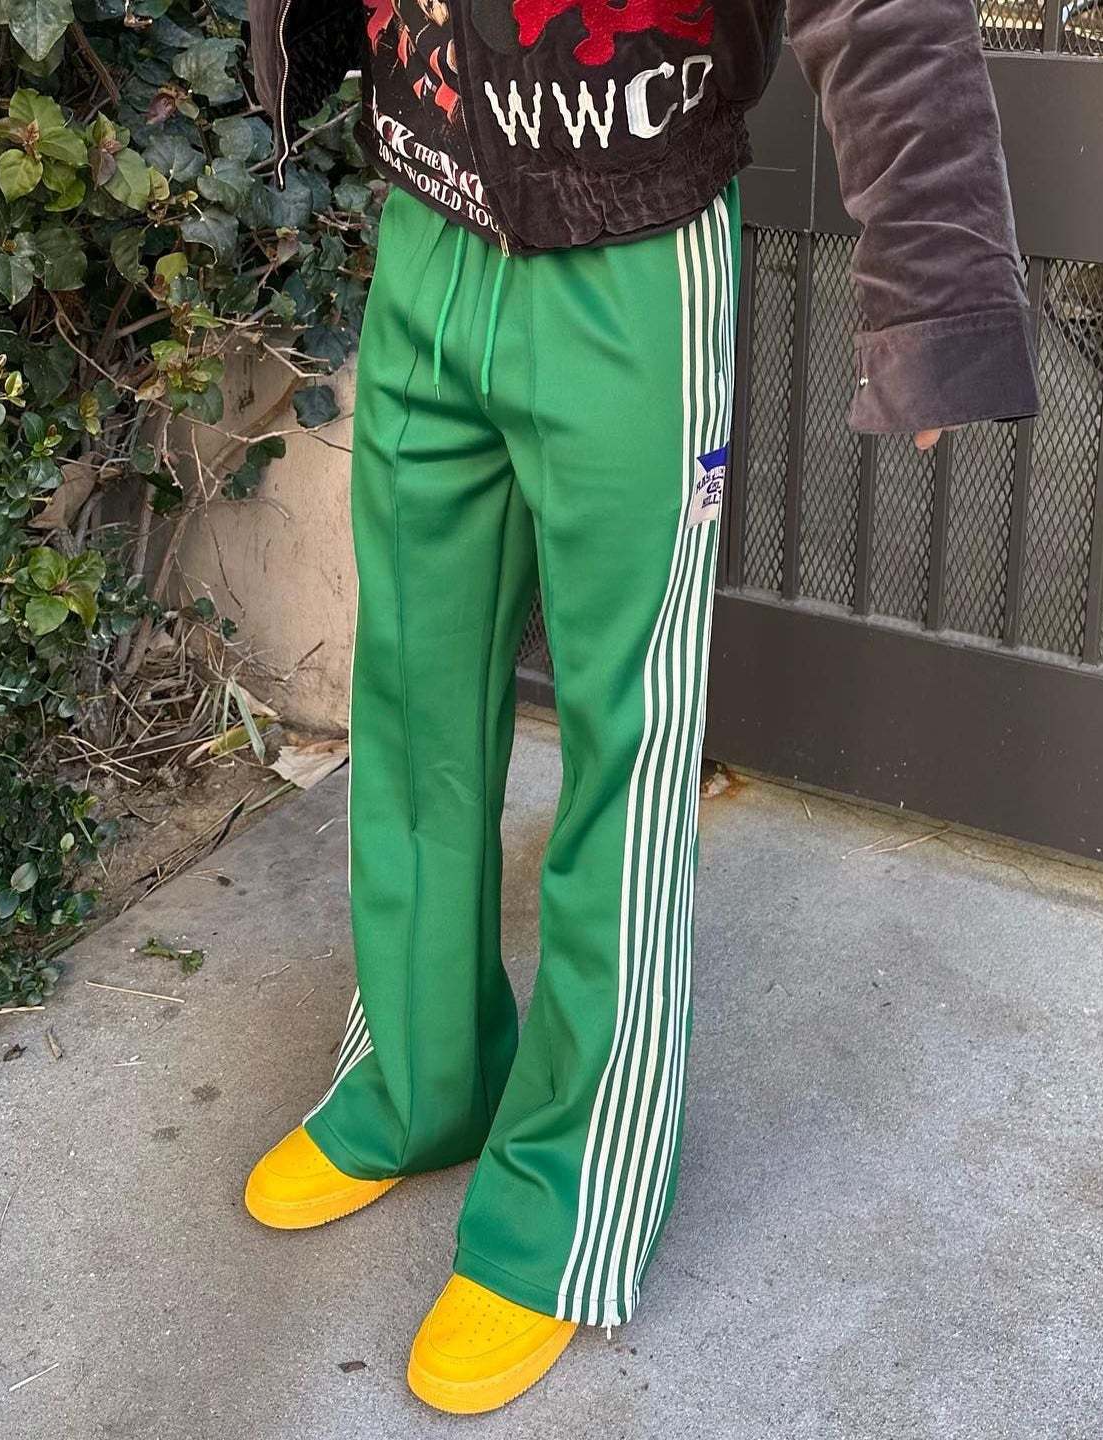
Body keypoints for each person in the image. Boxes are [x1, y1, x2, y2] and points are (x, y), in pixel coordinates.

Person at [243, 0, 1039, 1413]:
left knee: (630, 739)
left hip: (628, 260)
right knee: (412, 693)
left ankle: (572, 1194)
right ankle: (419, 1083)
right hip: (428, 221)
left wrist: (936, 297)